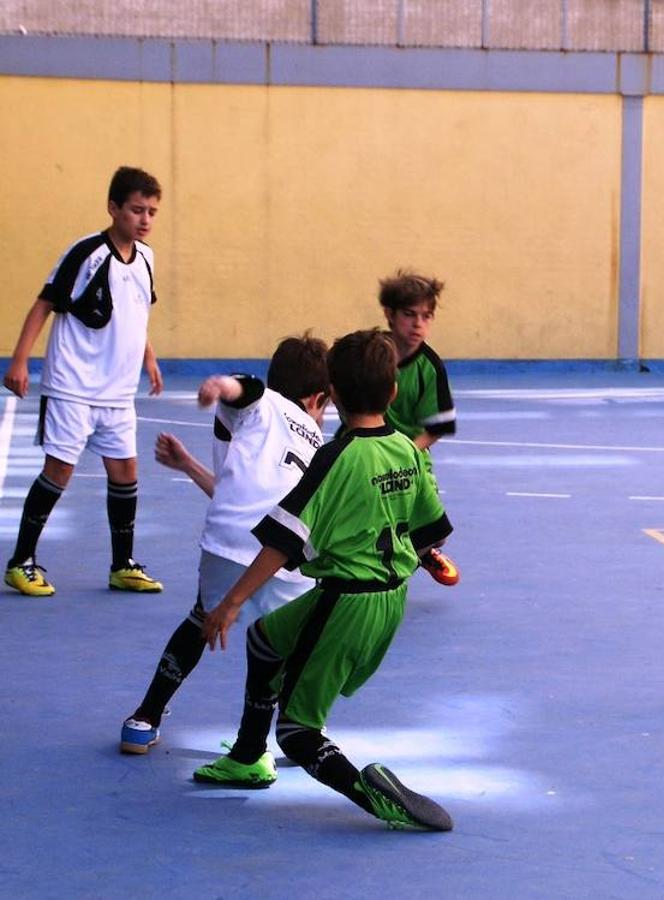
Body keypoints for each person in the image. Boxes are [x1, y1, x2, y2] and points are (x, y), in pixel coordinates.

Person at [191, 329, 455, 832]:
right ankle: (247, 755)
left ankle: (375, 798)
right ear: (393, 393)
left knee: (297, 733)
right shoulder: (407, 449)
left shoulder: (335, 458)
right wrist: (425, 556)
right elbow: (428, 528)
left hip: (346, 600)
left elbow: (282, 543)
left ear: (331, 393)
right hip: (390, 595)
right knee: (265, 641)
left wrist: (229, 603)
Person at [119, 334, 330, 754]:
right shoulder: (312, 437)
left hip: (227, 545)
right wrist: (224, 383)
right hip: (285, 558)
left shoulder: (256, 416)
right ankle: (264, 743)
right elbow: (245, 387)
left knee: (200, 620)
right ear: (317, 399)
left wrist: (187, 461)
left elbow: (235, 494)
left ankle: (144, 718)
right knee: (277, 645)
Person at [3, 166, 166, 597]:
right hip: (72, 385)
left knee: (126, 471)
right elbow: (43, 305)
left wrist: (149, 359)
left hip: (117, 392)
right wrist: (20, 361)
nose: (144, 219)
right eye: (136, 210)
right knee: (60, 470)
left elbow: (136, 313)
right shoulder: (87, 253)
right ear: (114, 208)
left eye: (151, 211)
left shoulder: (147, 258)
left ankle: (122, 564)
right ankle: (21, 562)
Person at [377, 270, 460, 587]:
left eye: (426, 316)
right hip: (361, 448)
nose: (418, 324)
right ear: (389, 314)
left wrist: (405, 451)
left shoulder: (429, 367)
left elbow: (438, 426)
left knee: (433, 535)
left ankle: (424, 551)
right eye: (409, 315)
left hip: (410, 454)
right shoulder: (370, 352)